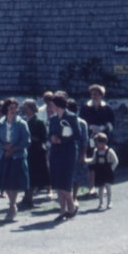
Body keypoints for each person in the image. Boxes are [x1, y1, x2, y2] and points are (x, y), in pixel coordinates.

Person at [0, 98, 30, 222]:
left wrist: (14, 148)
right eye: (11, 108)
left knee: (14, 182)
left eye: (15, 108)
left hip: (17, 156)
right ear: (6, 109)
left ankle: (12, 206)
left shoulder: (22, 123)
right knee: (6, 182)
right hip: (3, 155)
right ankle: (12, 204)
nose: (13, 111)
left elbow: (27, 141)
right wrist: (3, 147)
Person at [47, 92, 79, 222]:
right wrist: (52, 138)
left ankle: (71, 206)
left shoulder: (71, 117)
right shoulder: (53, 119)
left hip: (68, 152)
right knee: (57, 181)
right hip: (55, 152)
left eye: (52, 104)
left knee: (65, 181)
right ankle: (63, 210)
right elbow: (49, 134)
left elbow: (77, 135)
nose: (50, 106)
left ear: (57, 104)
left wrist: (62, 140)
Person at [79, 84, 115, 195]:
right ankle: (91, 187)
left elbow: (112, 122)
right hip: (90, 138)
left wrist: (104, 127)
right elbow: (81, 120)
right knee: (92, 163)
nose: (93, 96)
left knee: (103, 162)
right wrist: (90, 127)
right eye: (92, 94)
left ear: (101, 95)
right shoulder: (85, 107)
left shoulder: (107, 108)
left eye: (96, 94)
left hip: (103, 139)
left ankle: (101, 186)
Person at [20, 98, 49, 208]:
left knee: (34, 176)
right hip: (26, 152)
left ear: (31, 108)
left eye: (26, 107)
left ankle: (29, 198)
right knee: (26, 175)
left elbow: (44, 137)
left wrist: (31, 138)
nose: (24, 109)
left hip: (36, 152)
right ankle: (26, 197)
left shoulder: (39, 122)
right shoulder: (24, 121)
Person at [86, 132, 119, 210]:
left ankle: (109, 202)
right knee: (100, 187)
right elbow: (93, 160)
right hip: (100, 170)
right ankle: (100, 203)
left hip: (107, 170)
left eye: (98, 143)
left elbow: (115, 161)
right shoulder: (96, 151)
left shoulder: (109, 151)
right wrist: (86, 160)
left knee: (108, 187)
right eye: (96, 143)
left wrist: (111, 169)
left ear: (103, 143)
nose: (96, 145)